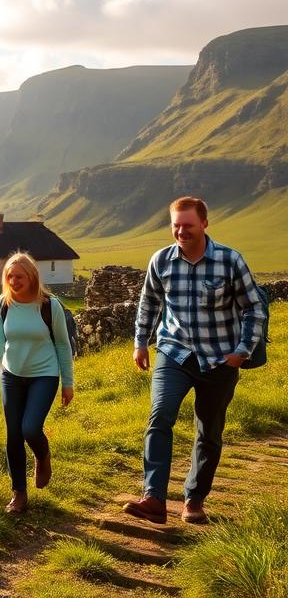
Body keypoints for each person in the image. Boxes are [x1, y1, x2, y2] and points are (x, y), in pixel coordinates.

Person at [122, 197, 267, 525]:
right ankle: (154, 498)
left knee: (209, 430)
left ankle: (194, 500)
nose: (181, 231)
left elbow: (253, 307)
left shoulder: (230, 261)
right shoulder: (161, 261)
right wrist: (140, 344)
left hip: (220, 360)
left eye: (187, 225)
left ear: (204, 223)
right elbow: (149, 304)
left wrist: (242, 350)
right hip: (174, 353)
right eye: (175, 225)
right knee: (160, 416)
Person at [0, 252, 74, 514]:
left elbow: (63, 345)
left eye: (19, 276)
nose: (13, 281)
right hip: (11, 375)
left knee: (30, 428)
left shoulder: (49, 306)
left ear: (32, 276)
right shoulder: (2, 304)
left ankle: (43, 457)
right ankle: (18, 493)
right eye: (9, 276)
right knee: (13, 434)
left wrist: (68, 382)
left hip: (44, 375)